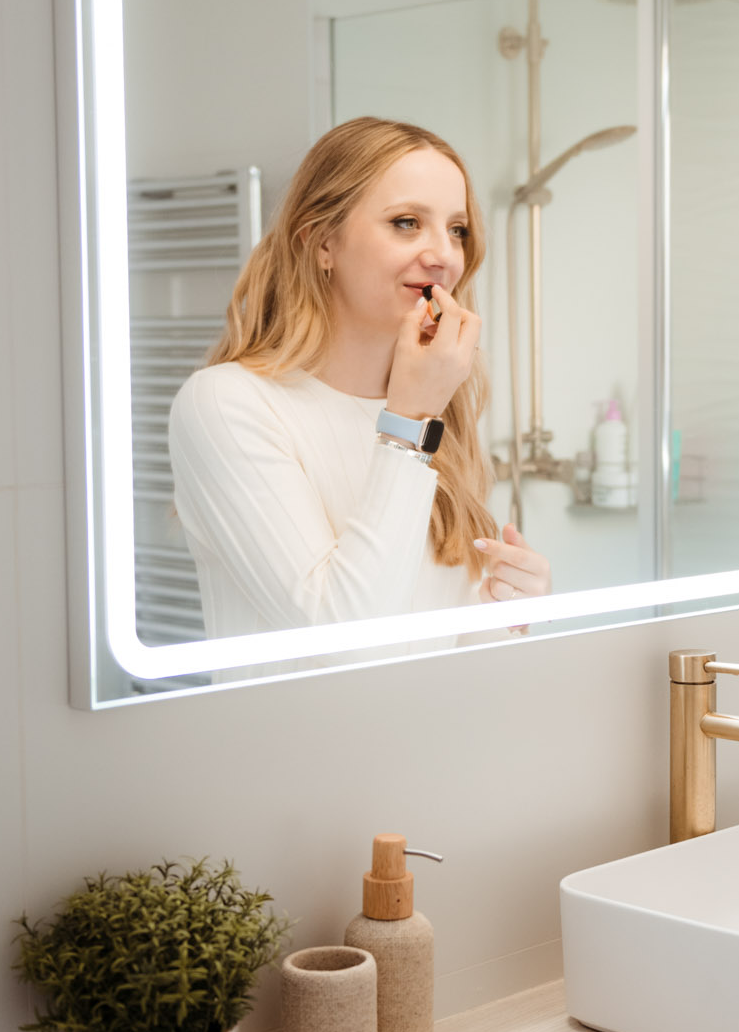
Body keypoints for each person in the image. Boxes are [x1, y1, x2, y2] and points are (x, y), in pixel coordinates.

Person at [169, 117, 550, 641]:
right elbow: (349, 642)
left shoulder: (441, 410)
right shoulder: (227, 405)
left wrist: (501, 611)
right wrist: (411, 418)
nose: (443, 255)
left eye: (456, 229)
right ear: (323, 243)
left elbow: (435, 652)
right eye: (407, 222)